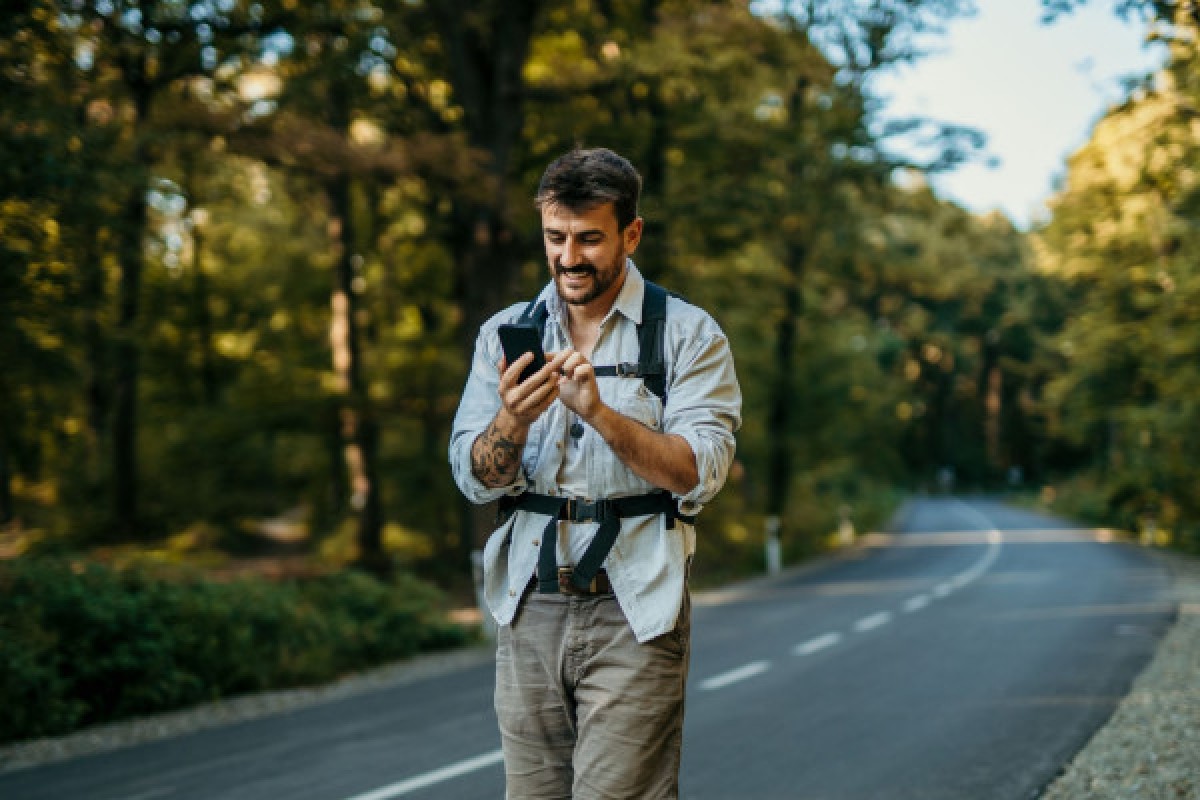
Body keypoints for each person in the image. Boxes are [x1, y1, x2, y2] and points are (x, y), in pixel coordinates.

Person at [449, 147, 741, 799]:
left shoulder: (686, 335)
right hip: (527, 606)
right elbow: (473, 476)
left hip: (635, 607)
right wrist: (512, 422)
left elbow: (702, 472)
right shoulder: (504, 334)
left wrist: (602, 414)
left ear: (631, 233)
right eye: (555, 237)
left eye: (589, 238)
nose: (570, 257)